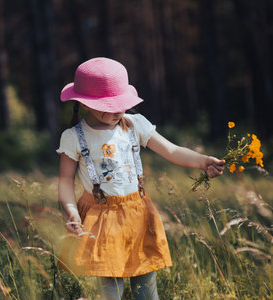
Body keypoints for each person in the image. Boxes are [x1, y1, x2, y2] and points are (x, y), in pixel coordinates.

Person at [56, 57, 225, 300]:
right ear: (84, 103)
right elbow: (64, 182)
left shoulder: (134, 125)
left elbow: (172, 150)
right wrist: (72, 213)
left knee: (146, 288)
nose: (117, 110)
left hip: (138, 214)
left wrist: (203, 161)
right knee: (111, 290)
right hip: (101, 220)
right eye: (108, 105)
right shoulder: (73, 137)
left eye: (120, 103)